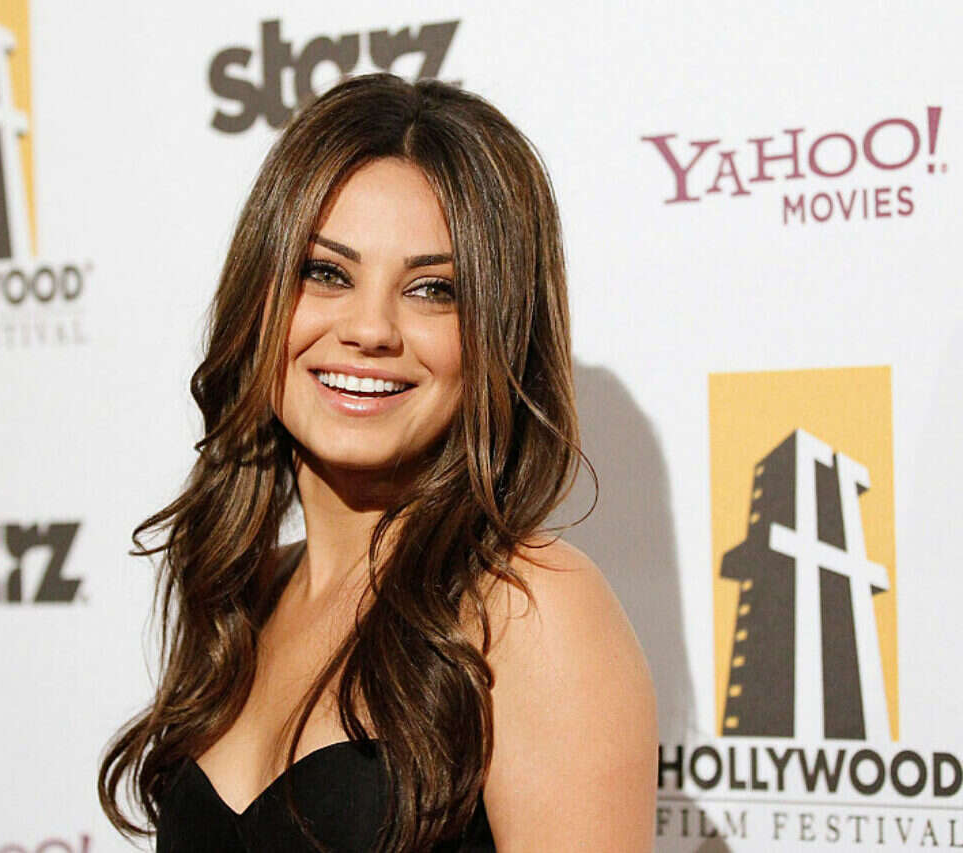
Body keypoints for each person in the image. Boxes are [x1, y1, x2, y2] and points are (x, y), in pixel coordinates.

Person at [99, 73, 656, 852]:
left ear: (497, 334)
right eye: (326, 273)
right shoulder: (245, 591)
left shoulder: (530, 610)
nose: (370, 329)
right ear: (261, 297)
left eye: (434, 289)